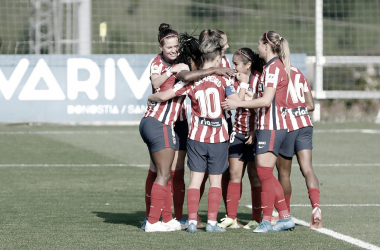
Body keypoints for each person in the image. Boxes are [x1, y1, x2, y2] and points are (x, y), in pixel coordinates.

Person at [148, 37, 242, 233]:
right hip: (218, 136)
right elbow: (235, 101)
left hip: (196, 136)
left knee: (195, 180)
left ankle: (191, 222)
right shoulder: (224, 79)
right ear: (217, 58)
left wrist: (152, 97)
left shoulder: (191, 80)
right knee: (215, 180)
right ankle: (212, 223)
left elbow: (166, 95)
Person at [221, 31, 296, 233]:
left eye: (259, 44)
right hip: (266, 126)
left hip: (272, 126)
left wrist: (239, 101)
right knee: (265, 173)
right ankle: (284, 217)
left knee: (263, 173)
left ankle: (267, 220)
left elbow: (265, 101)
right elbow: (261, 97)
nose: (258, 48)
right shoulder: (271, 67)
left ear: (266, 46)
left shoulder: (273, 68)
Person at [140, 23, 189, 232]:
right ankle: (152, 221)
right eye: (169, 47)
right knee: (164, 173)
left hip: (153, 121)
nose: (173, 50)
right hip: (159, 123)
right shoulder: (160, 64)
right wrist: (172, 71)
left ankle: (167, 218)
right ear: (161, 46)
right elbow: (158, 88)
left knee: (159, 171)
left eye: (176, 47)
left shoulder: (183, 64)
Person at [217, 48, 265, 230]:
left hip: (255, 133)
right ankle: (232, 218)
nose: (233, 67)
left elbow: (262, 105)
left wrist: (255, 129)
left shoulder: (260, 78)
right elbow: (237, 103)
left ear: (248, 64)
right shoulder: (234, 80)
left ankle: (255, 218)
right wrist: (242, 84)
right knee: (234, 176)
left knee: (255, 177)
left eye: (236, 64)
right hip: (237, 133)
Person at [276, 66, 322, 229]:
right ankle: (316, 209)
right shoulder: (298, 71)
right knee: (308, 169)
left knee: (284, 173)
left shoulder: (273, 71)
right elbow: (311, 105)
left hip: (288, 126)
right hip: (305, 123)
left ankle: (285, 215)